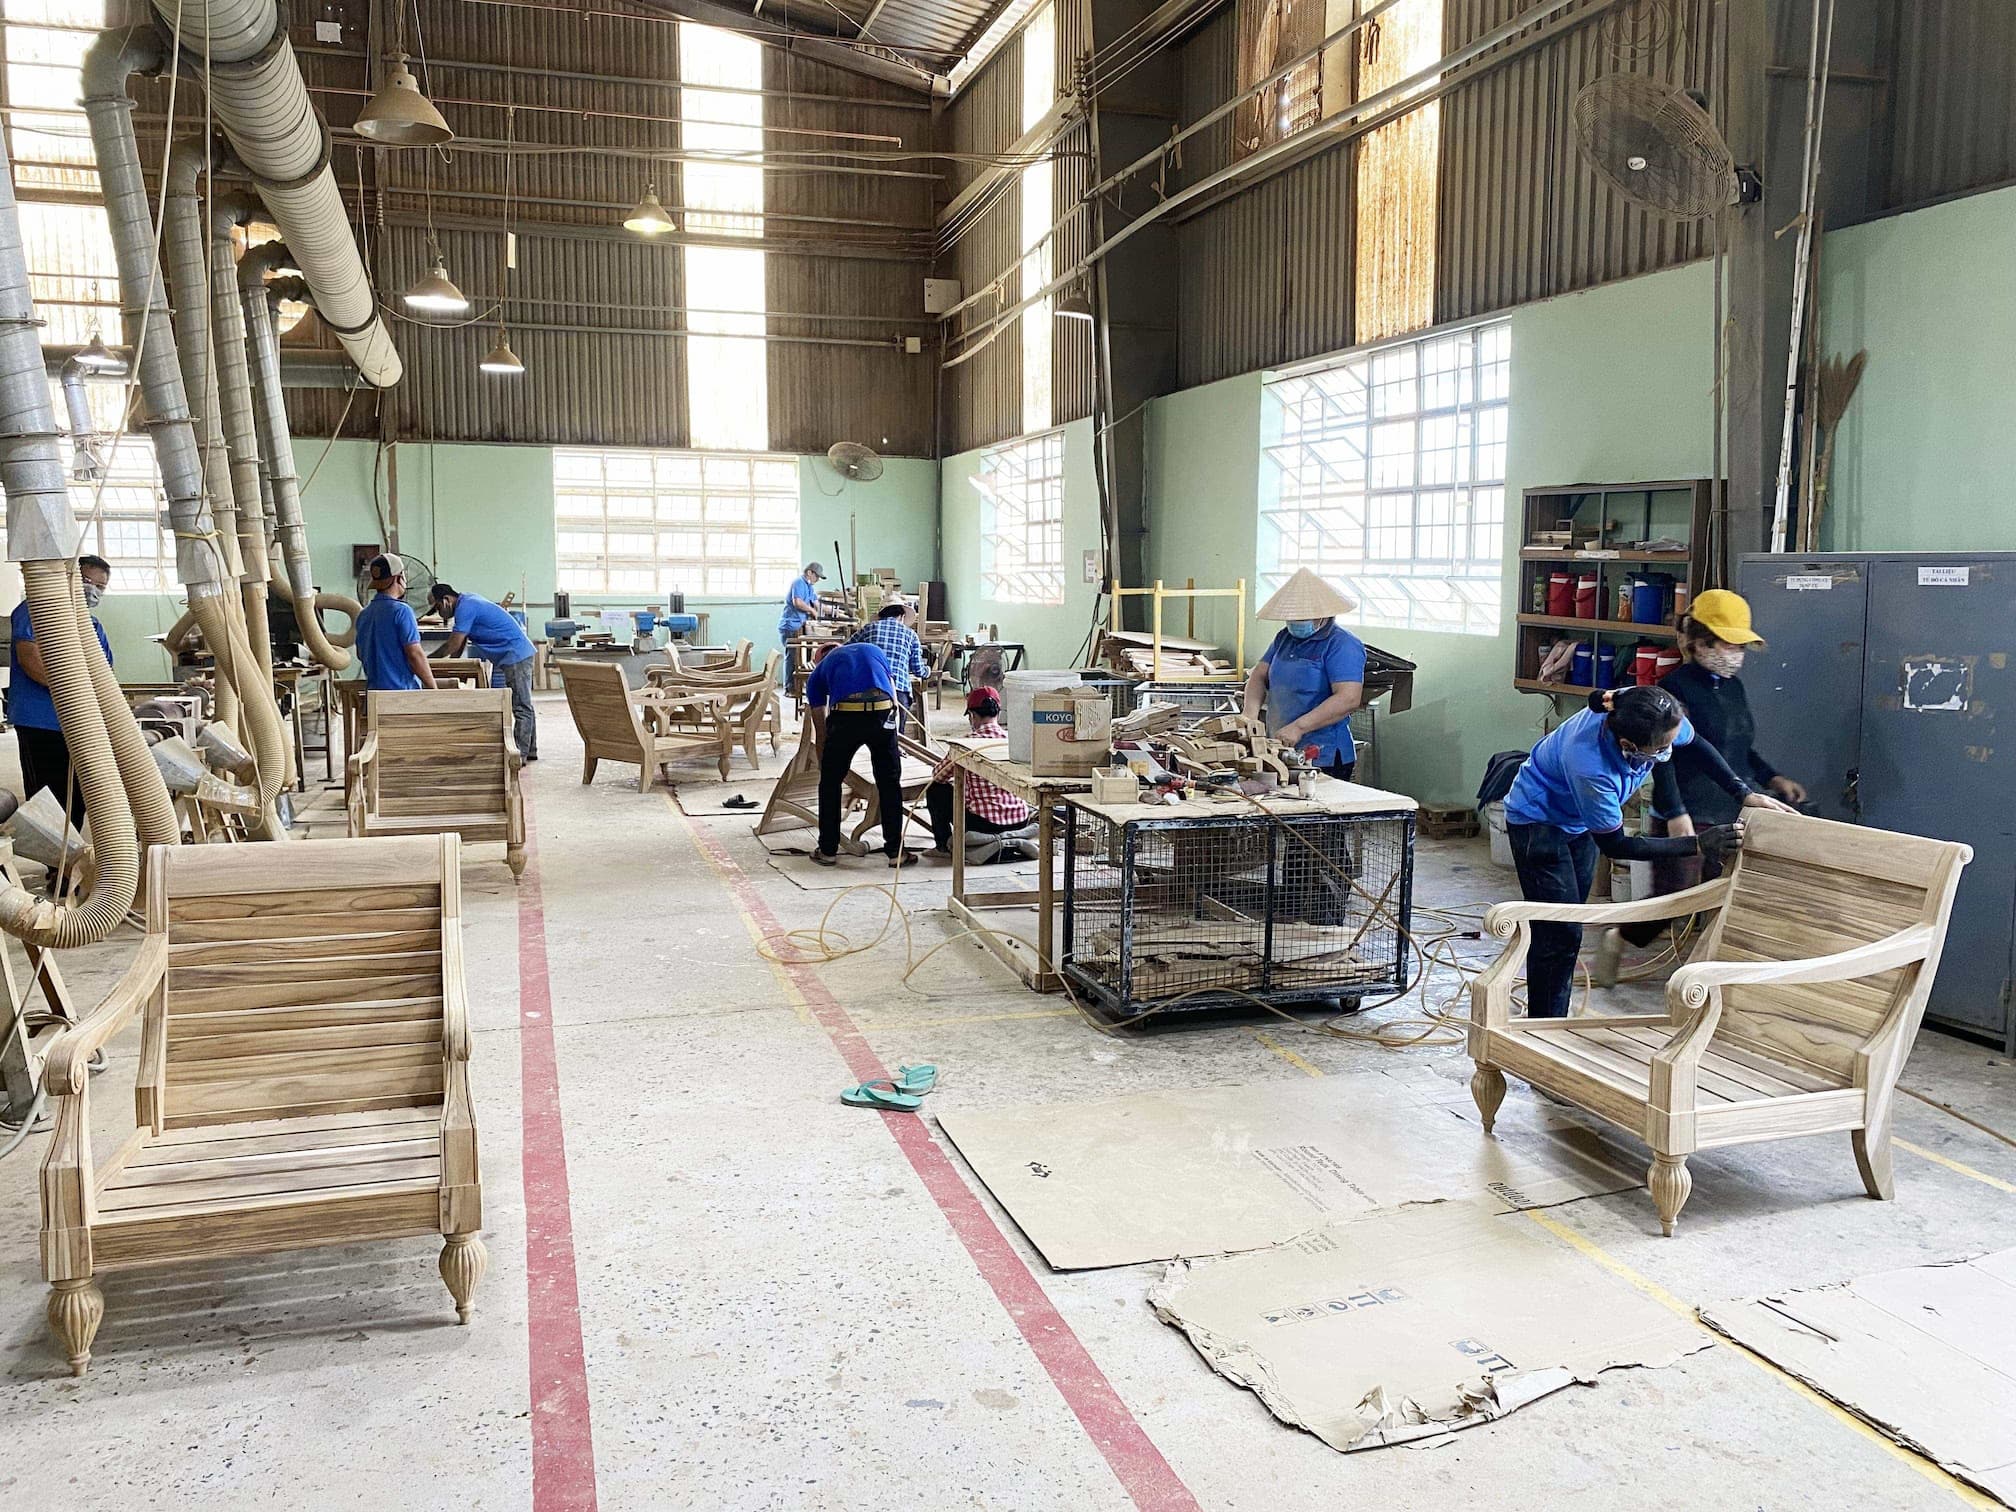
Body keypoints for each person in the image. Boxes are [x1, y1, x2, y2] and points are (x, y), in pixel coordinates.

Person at [1501, 684, 1794, 1018]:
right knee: (1559, 928)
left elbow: (1695, 743)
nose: (1669, 750)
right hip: (1538, 821)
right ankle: (1543, 1027)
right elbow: (1615, 845)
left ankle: (1553, 1014)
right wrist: (1697, 844)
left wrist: (1743, 794)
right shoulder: (1590, 765)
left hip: (1577, 821)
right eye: (1663, 747)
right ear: (1628, 746)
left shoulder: (1649, 709)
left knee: (1571, 922)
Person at [1594, 589, 1808, 983]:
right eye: (1730, 643)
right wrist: (1676, 814)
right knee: (1675, 900)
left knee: (1724, 896)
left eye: (1740, 645)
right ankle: (1618, 936)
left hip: (1729, 811)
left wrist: (1771, 777)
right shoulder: (1673, 690)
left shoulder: (1732, 688)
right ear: (1701, 640)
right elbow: (1662, 758)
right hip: (1686, 811)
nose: (1736, 653)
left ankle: (1707, 973)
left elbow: (1736, 748)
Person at [8, 554, 113, 822]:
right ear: (72, 578)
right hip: (40, 721)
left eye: (100, 587)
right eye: (88, 581)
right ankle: (53, 862)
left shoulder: (92, 625)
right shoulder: (35, 610)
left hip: (79, 723)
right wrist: (75, 692)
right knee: (49, 795)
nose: (93, 590)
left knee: (79, 795)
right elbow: (31, 660)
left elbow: (104, 673)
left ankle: (71, 858)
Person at [1242, 568, 1367, 780]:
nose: (1295, 621)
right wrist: (1249, 716)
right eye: (1291, 617)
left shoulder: (1343, 645)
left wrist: (1299, 727)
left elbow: (1348, 698)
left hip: (1322, 752)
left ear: (1322, 614)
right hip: (1279, 747)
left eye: (1302, 617)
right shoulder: (1285, 638)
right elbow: (1258, 676)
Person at [803, 638, 913, 868]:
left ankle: (827, 850)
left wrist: (827, 764)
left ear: (818, 660)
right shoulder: (872, 650)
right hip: (883, 712)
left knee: (830, 785)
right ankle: (896, 853)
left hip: (846, 717)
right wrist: (893, 741)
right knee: (889, 782)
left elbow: (820, 729)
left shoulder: (818, 673)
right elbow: (893, 696)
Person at [430, 581, 539, 762]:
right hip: (517, 653)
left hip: (515, 655)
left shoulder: (466, 607)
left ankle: (519, 755)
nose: (439, 614)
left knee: (521, 707)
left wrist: (428, 662)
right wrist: (451, 667)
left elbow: (454, 643)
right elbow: (460, 642)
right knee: (524, 704)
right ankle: (531, 749)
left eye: (438, 608)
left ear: (446, 600)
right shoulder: (467, 601)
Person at [924, 688, 1036, 862]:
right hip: (1019, 821)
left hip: (984, 825)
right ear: (998, 713)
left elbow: (938, 775)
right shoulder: (1013, 741)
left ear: (972, 715)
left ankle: (943, 846)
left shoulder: (965, 745)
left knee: (935, 790)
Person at [354, 553, 438, 694]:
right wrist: (433, 690)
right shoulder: (402, 611)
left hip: (374, 696)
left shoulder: (364, 614)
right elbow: (414, 654)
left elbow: (360, 654)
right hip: (401, 697)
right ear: (399, 578)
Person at [849, 596, 930, 714]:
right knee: (897, 731)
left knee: (867, 730)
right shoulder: (911, 634)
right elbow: (917, 669)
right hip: (898, 690)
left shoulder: (868, 628)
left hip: (868, 689)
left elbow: (846, 650)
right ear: (902, 616)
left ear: (881, 616)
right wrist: (926, 671)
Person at [778, 562, 827, 685]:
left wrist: (838, 612)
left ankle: (802, 685)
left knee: (803, 656)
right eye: (816, 576)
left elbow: (817, 603)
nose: (817, 580)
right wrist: (812, 611)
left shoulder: (809, 587)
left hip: (800, 625)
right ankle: (790, 687)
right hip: (790, 625)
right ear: (809, 572)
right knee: (793, 657)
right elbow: (798, 602)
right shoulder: (798, 582)